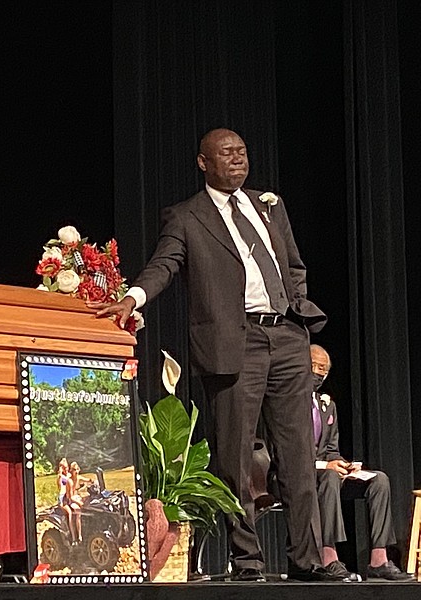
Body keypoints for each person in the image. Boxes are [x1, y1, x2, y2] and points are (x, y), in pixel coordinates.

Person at [92, 128, 349, 582]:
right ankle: (248, 561)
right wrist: (133, 298)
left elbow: (292, 265)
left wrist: (297, 308)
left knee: (297, 457)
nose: (237, 159)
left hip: (286, 336)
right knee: (234, 459)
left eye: (242, 152)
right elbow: (164, 264)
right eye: (226, 153)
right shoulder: (188, 216)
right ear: (203, 162)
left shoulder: (270, 205)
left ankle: (306, 560)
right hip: (236, 342)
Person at [309, 344, 412, 581]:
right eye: (312, 366)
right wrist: (327, 467)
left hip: (328, 475)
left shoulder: (327, 405)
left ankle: (379, 560)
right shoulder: (289, 404)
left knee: (378, 480)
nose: (317, 373)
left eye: (322, 369)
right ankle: (328, 557)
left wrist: (342, 464)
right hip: (299, 475)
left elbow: (331, 450)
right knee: (330, 476)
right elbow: (289, 453)